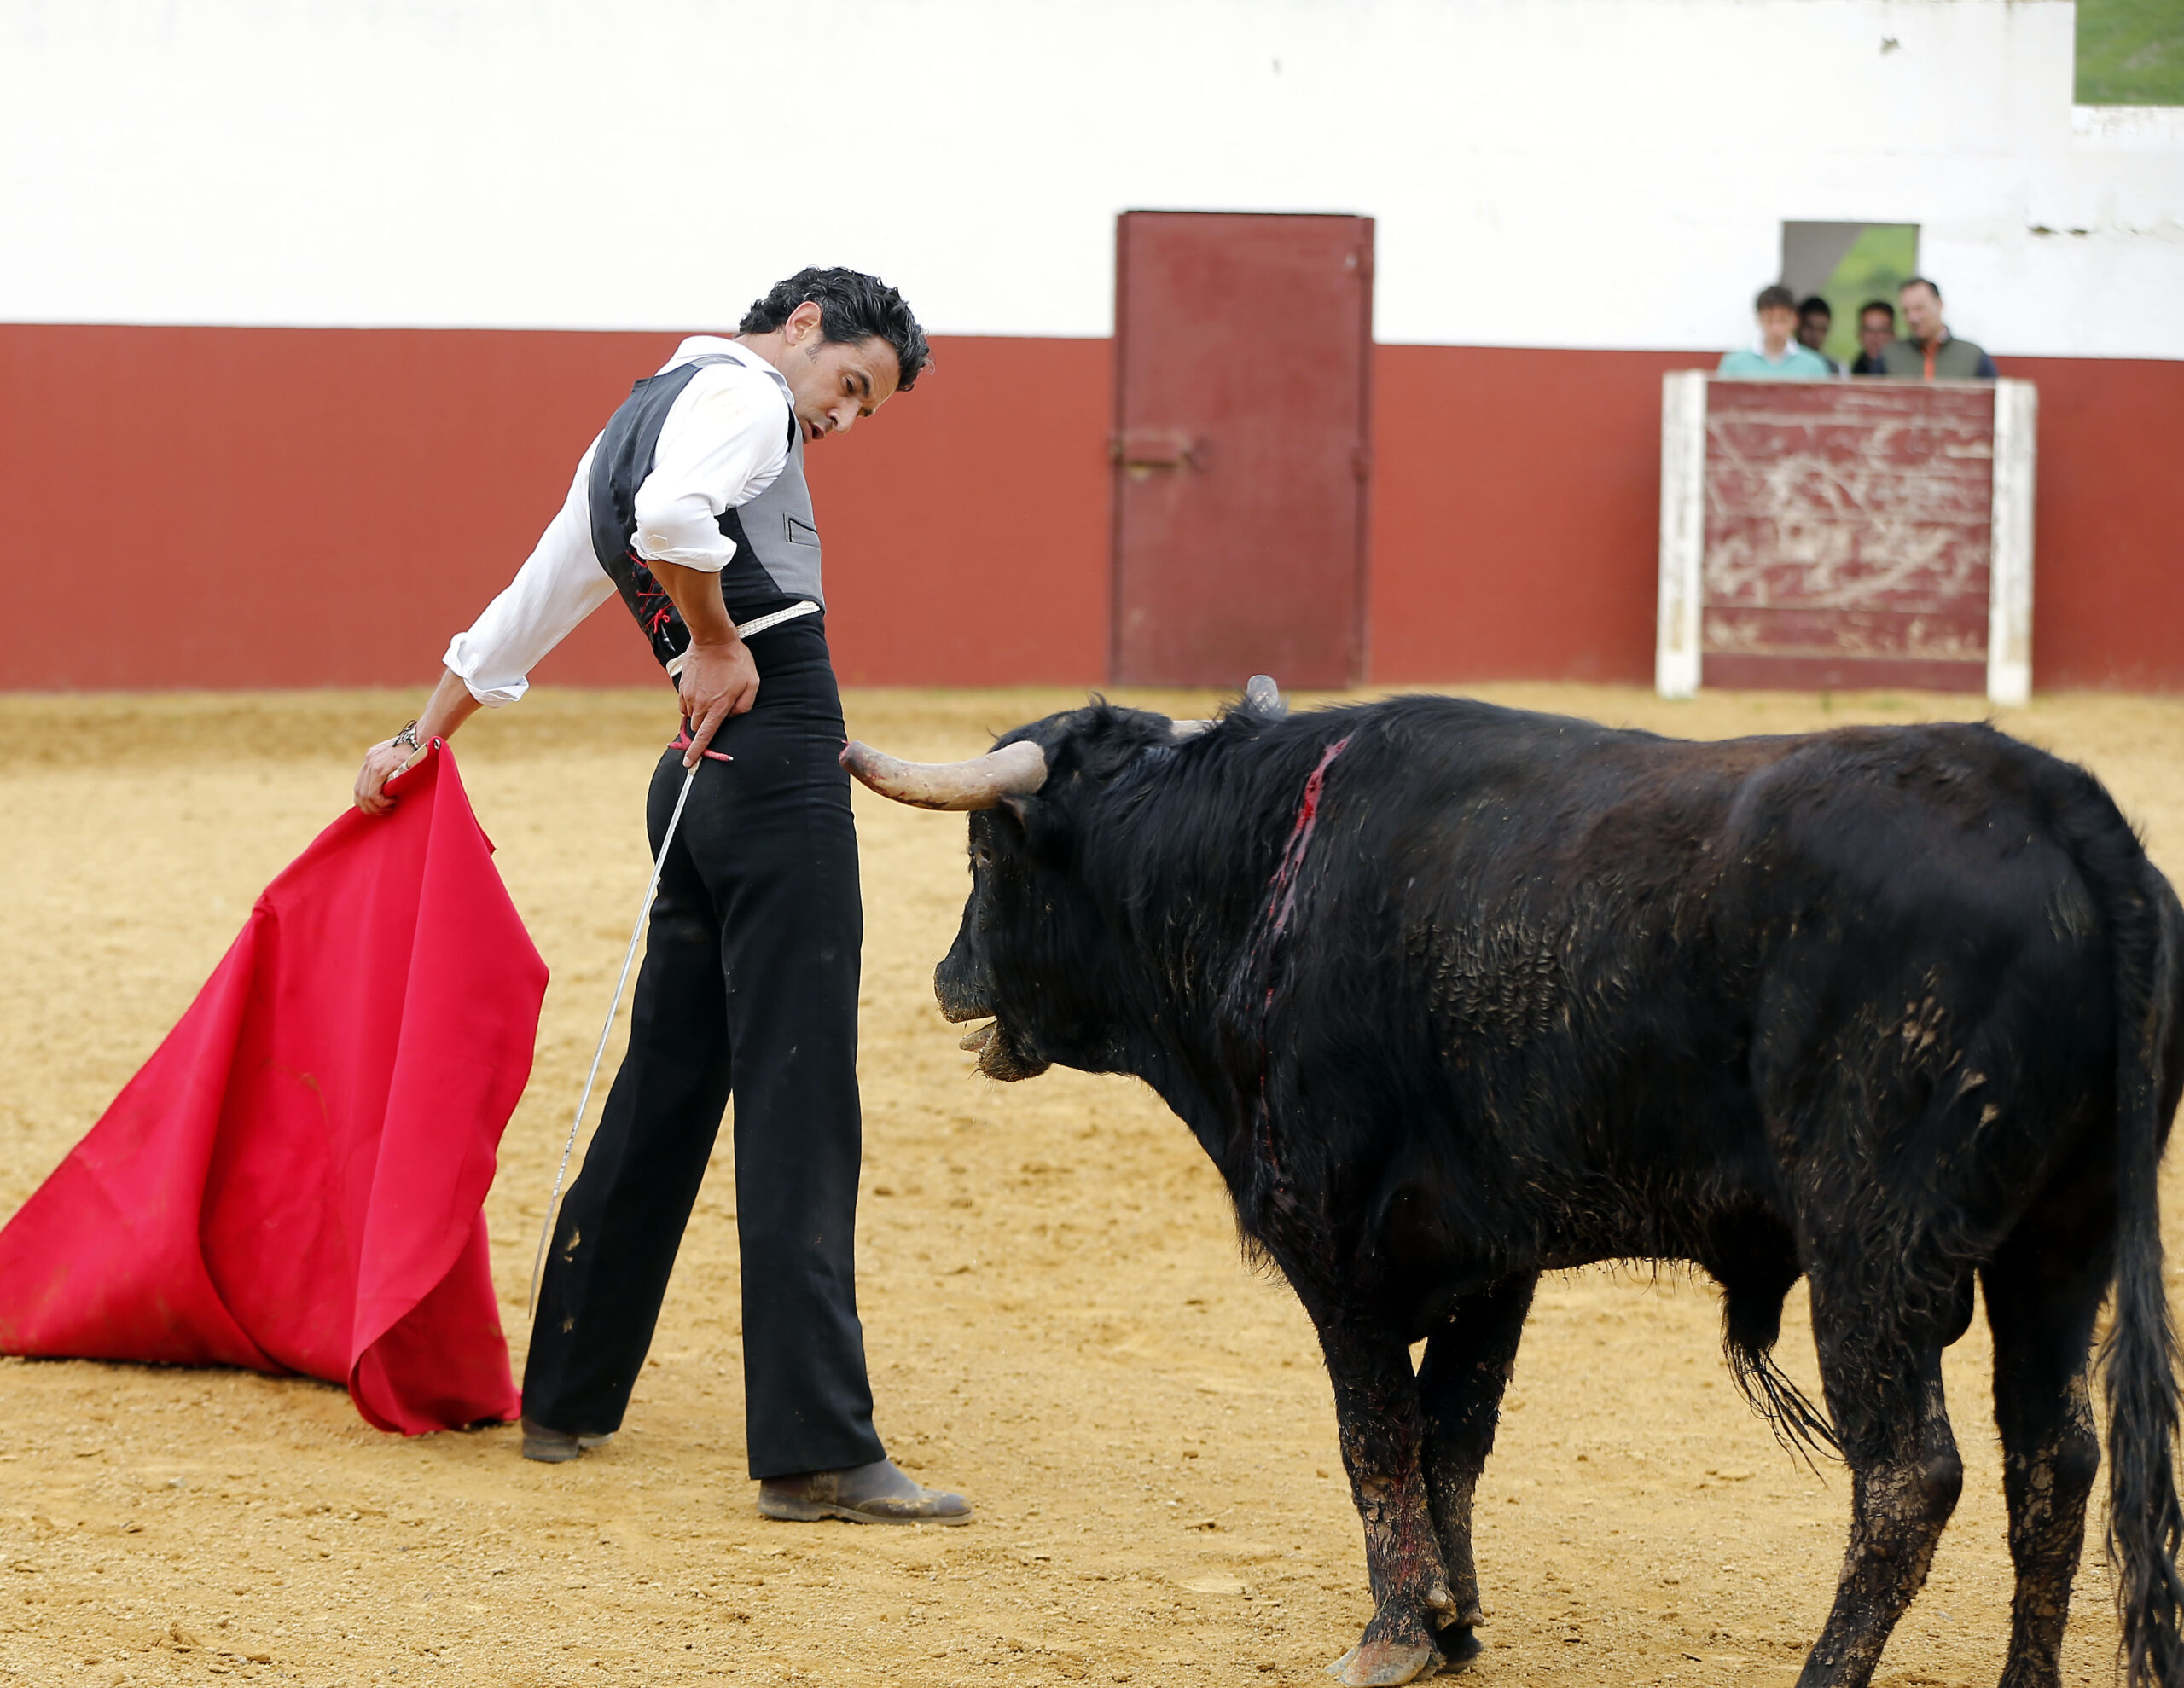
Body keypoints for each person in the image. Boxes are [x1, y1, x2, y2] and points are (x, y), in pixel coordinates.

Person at [351, 267, 973, 1527]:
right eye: (851, 385)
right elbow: (676, 522)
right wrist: (718, 639)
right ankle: (815, 1449)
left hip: (699, 785)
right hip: (777, 765)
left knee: (668, 1080)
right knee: (800, 1095)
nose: (842, 419)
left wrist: (421, 734)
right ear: (804, 325)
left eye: (865, 410)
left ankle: (566, 1393)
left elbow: (530, 602)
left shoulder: (636, 414)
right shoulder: (744, 397)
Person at [1880, 276, 1998, 380]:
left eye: (1919, 308)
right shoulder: (1889, 356)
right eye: (1906, 311)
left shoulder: (1973, 356)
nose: (1913, 318)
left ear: (1939, 304)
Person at [1717, 284, 1833, 378]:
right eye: (1769, 320)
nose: (1776, 328)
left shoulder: (1814, 366)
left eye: (1782, 320)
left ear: (1794, 319)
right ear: (1759, 319)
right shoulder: (1734, 364)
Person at [1797, 295, 1843, 374]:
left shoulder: (1834, 368)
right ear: (1797, 325)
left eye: (1822, 329)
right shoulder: (1783, 361)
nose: (1815, 334)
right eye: (1810, 327)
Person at [1850, 299, 1896, 376]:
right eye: (1869, 330)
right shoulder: (1854, 370)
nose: (1874, 338)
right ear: (1859, 334)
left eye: (1882, 331)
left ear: (1893, 335)